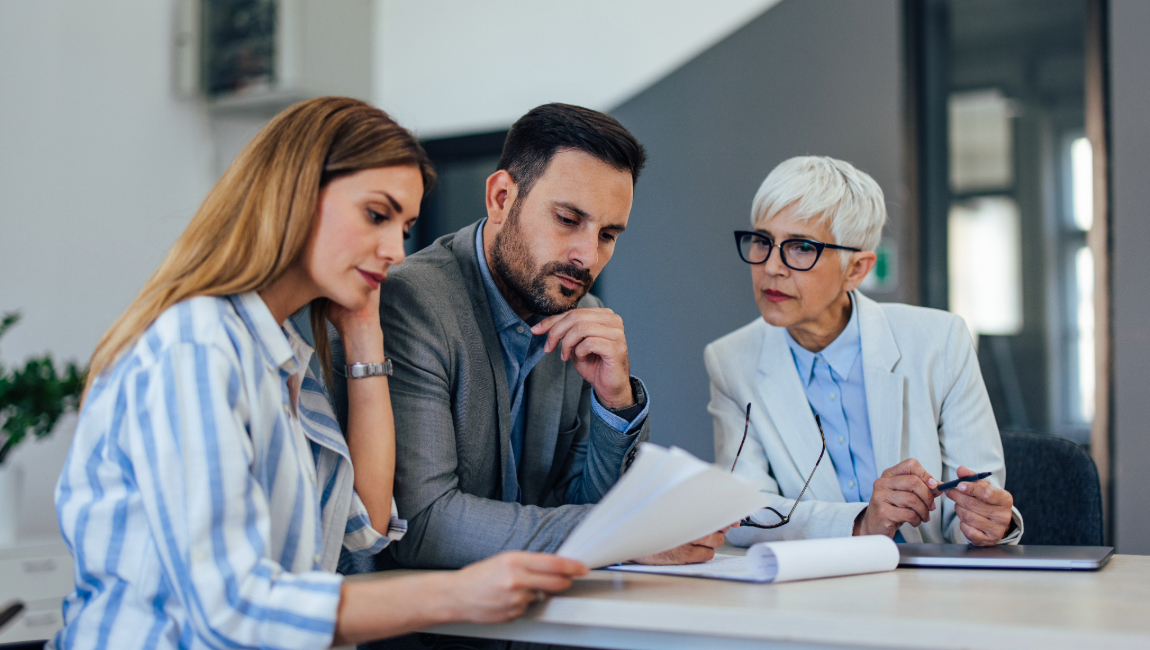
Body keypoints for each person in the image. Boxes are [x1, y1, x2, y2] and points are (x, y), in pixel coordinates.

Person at [51, 97, 587, 650]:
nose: (394, 253)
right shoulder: (197, 345)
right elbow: (229, 606)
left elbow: (365, 526)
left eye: (403, 229)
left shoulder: (286, 361)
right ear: (295, 195)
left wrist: (363, 334)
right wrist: (455, 595)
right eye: (376, 215)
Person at [335, 103, 729, 576]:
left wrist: (615, 402)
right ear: (501, 198)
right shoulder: (412, 302)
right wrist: (627, 534)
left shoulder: (586, 320)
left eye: (608, 234)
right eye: (567, 219)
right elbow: (425, 525)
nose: (587, 255)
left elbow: (587, 502)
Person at [707, 156, 1024, 547]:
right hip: (811, 592)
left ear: (856, 269)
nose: (772, 266)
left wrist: (991, 524)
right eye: (762, 241)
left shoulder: (939, 341)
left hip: (929, 591)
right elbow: (742, 513)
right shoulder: (730, 361)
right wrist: (860, 523)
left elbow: (974, 502)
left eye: (801, 247)